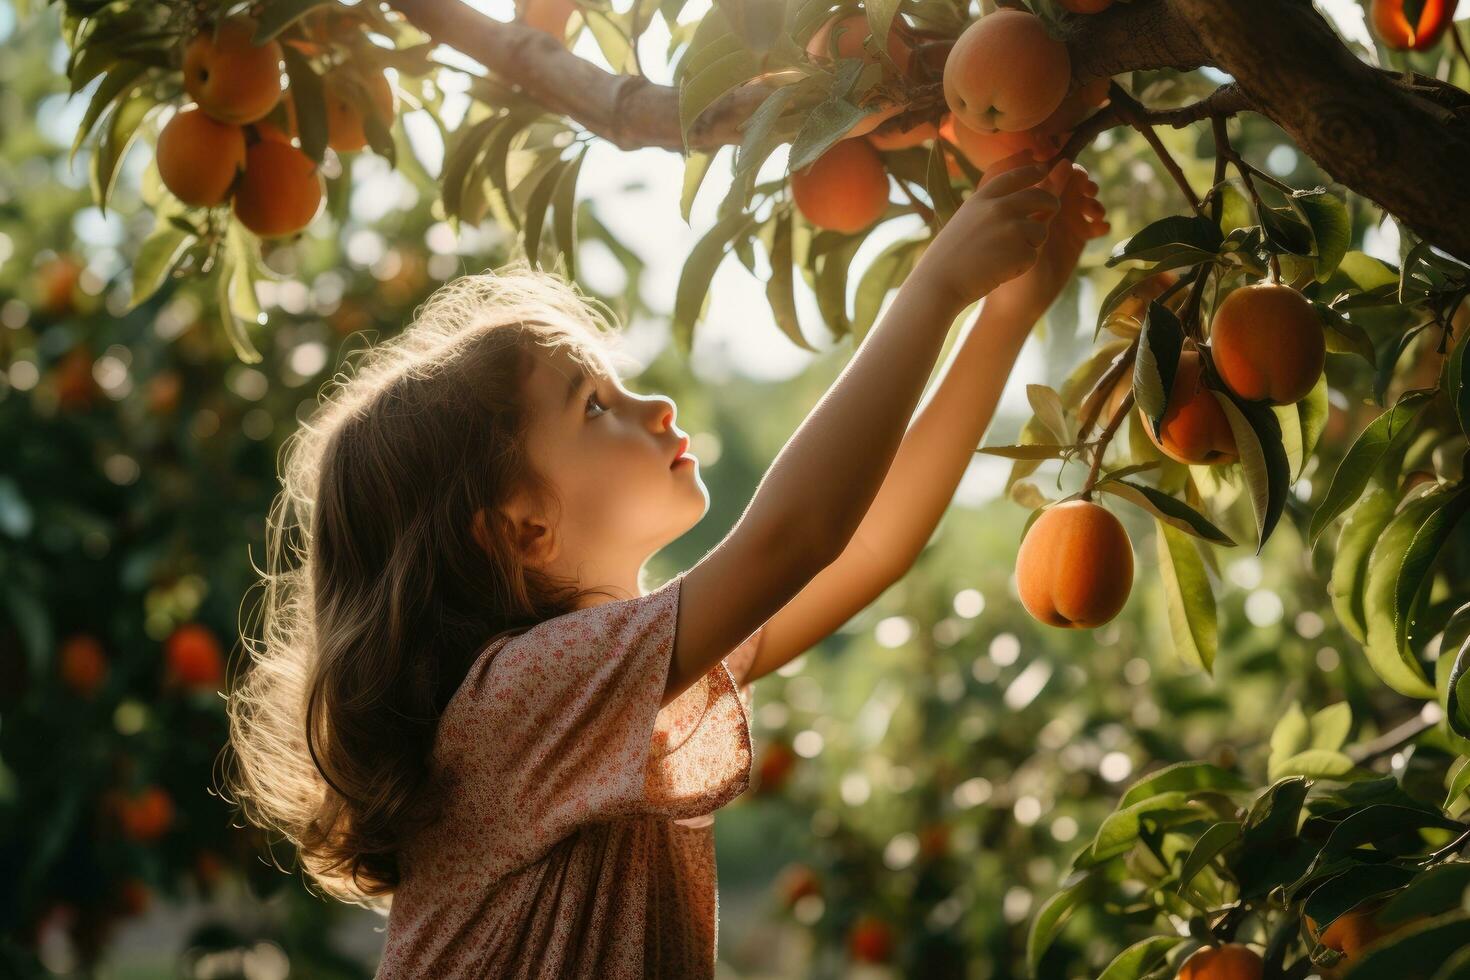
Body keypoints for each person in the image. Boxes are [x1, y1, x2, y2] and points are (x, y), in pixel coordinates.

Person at [221, 154, 1106, 979]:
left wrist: (1007, 314)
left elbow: (866, 544)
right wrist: (938, 285)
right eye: (596, 404)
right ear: (520, 528)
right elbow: (801, 535)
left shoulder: (625, 688)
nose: (657, 405)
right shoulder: (516, 698)